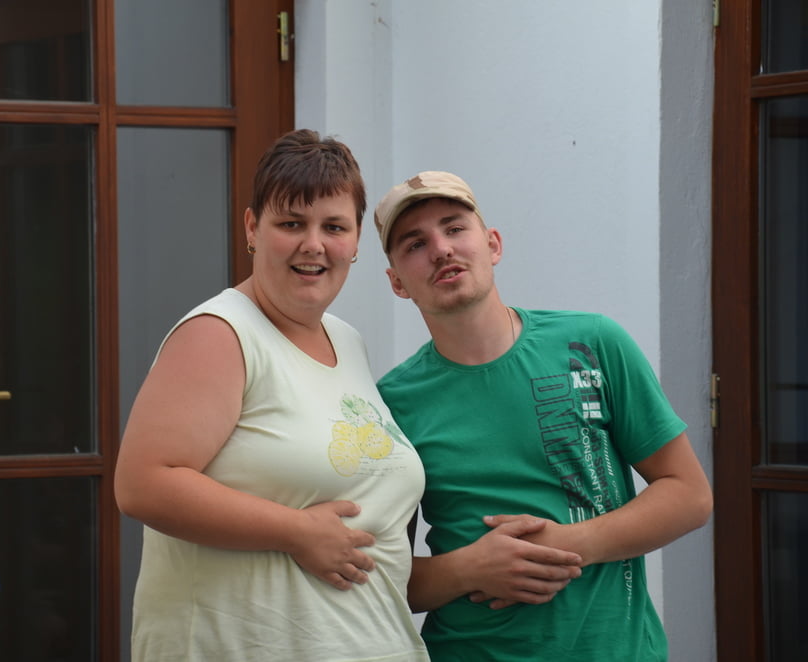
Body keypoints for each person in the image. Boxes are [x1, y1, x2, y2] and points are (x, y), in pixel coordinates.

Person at [114, 129, 431, 661]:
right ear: (252, 228)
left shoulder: (347, 341)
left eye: (334, 226)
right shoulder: (221, 333)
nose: (314, 244)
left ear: (356, 241)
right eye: (291, 224)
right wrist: (296, 530)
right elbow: (143, 485)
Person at [372, 171, 714, 661]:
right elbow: (385, 580)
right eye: (415, 244)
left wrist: (570, 543)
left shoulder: (592, 343)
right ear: (397, 282)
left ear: (492, 244)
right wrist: (470, 568)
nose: (441, 249)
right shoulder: (389, 403)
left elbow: (689, 495)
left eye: (454, 228)